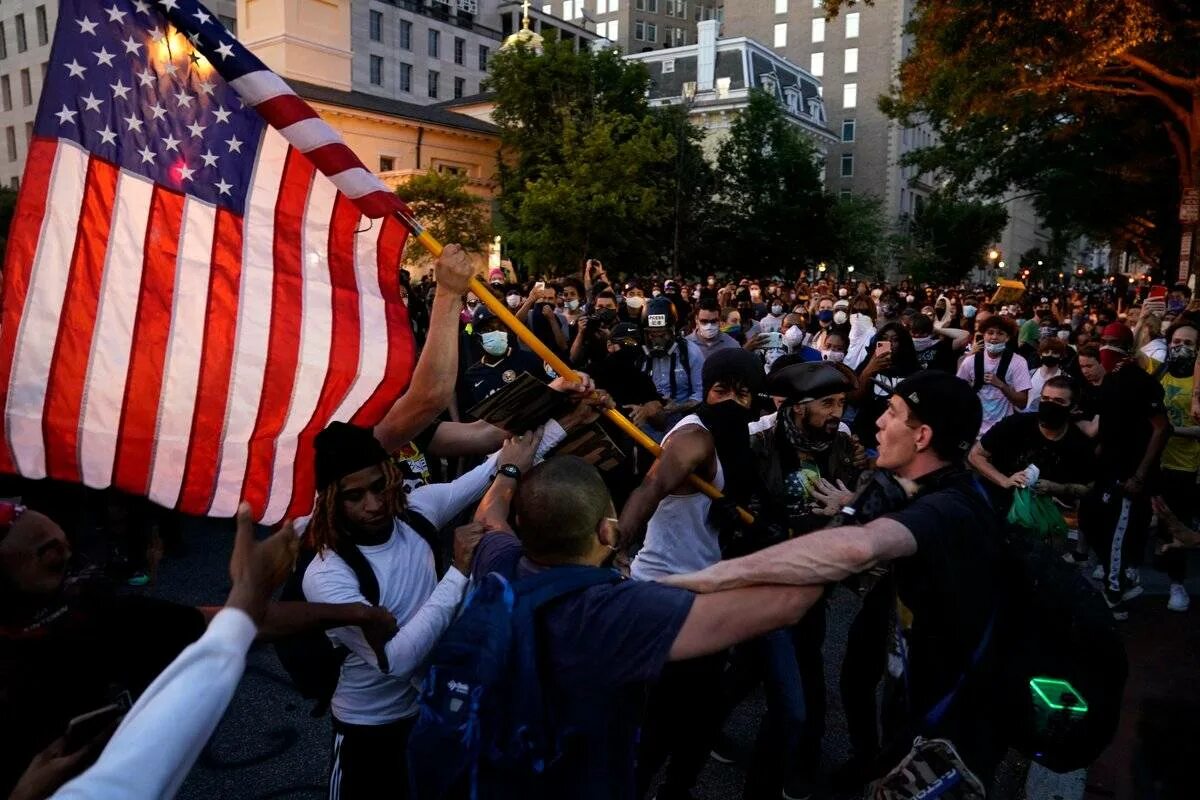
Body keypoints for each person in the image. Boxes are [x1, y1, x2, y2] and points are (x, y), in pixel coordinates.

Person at [663, 371, 1010, 786]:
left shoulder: (953, 507)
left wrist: (707, 578)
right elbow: (805, 585)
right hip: (908, 698)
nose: (877, 421)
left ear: (922, 437)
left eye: (893, 413)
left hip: (956, 726)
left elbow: (857, 548)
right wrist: (659, 619)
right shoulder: (896, 481)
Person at [461, 455, 821, 799]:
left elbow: (491, 514)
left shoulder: (499, 561)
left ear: (523, 526)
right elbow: (788, 603)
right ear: (606, 530)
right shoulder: (621, 610)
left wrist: (509, 469)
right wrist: (852, 516)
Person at [299, 421, 558, 798]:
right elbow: (397, 660)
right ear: (331, 501)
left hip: (436, 713)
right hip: (370, 734)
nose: (373, 505)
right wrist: (458, 572)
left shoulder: (417, 512)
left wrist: (566, 410)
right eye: (353, 497)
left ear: (391, 475)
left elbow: (495, 465)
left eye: (378, 486)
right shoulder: (327, 573)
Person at [14, 505, 301, 800]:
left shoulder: (111, 617)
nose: (74, 569)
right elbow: (123, 780)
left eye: (69, 549)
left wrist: (348, 611)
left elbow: (211, 626)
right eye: (53, 559)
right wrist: (249, 591)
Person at [616, 348, 765, 800]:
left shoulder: (740, 433)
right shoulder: (695, 439)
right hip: (665, 592)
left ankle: (676, 789)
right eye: (722, 392)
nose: (732, 403)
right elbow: (652, 485)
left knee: (701, 714)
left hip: (710, 591)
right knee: (657, 719)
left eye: (742, 395)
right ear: (711, 390)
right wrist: (618, 540)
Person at [1078, 322, 1170, 620]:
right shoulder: (1110, 382)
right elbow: (1108, 426)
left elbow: (1161, 429)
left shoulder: (1142, 383)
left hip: (1130, 472)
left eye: (1112, 341)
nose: (1105, 346)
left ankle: (1114, 592)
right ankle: (1120, 579)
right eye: (1103, 340)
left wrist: (1140, 475)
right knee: (1099, 523)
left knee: (1120, 530)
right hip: (1109, 470)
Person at [968, 376, 1096, 514]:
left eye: (1058, 401)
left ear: (1073, 407)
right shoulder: (1015, 425)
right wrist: (1004, 481)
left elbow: (1089, 487)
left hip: (1043, 516)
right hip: (999, 507)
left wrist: (1057, 488)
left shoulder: (1078, 443)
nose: (1049, 405)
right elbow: (975, 455)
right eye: (1045, 399)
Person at [1147, 319, 1200, 611]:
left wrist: (1169, 430)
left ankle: (1177, 585)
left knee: (1176, 522)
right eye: (1176, 342)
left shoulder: (1198, 382)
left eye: (1188, 344)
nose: (1180, 348)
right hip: (1154, 461)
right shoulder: (1160, 372)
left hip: (1185, 465)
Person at [955, 315, 1032, 436]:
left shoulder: (1018, 362)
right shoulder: (970, 361)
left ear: (1007, 337)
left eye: (1000, 333)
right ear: (984, 335)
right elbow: (957, 394)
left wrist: (1002, 385)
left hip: (1004, 430)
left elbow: (1022, 402)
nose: (994, 337)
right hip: (975, 429)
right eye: (990, 333)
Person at [460, 306, 547, 411]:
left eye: (500, 327)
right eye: (488, 329)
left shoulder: (529, 359)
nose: (496, 333)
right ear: (478, 337)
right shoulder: (472, 376)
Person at [641, 297, 705, 437]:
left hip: (682, 426)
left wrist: (678, 407)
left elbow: (700, 393)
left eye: (662, 334)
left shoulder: (690, 353)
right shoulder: (639, 355)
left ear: (673, 330)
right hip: (645, 427)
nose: (657, 340)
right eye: (652, 334)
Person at [1026, 337, 1068, 412]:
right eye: (1046, 352)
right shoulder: (1029, 374)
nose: (1050, 355)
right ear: (1040, 355)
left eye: (1054, 353)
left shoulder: (1066, 379)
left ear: (1061, 356)